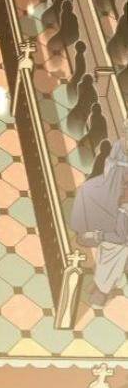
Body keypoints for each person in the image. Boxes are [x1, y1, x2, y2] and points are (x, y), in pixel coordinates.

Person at [71, 127, 128, 299]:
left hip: (123, 197)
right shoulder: (120, 144)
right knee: (87, 189)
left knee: (113, 248)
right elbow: (109, 163)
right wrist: (116, 166)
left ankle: (104, 288)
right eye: (126, 130)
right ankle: (83, 230)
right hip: (114, 183)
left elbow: (121, 237)